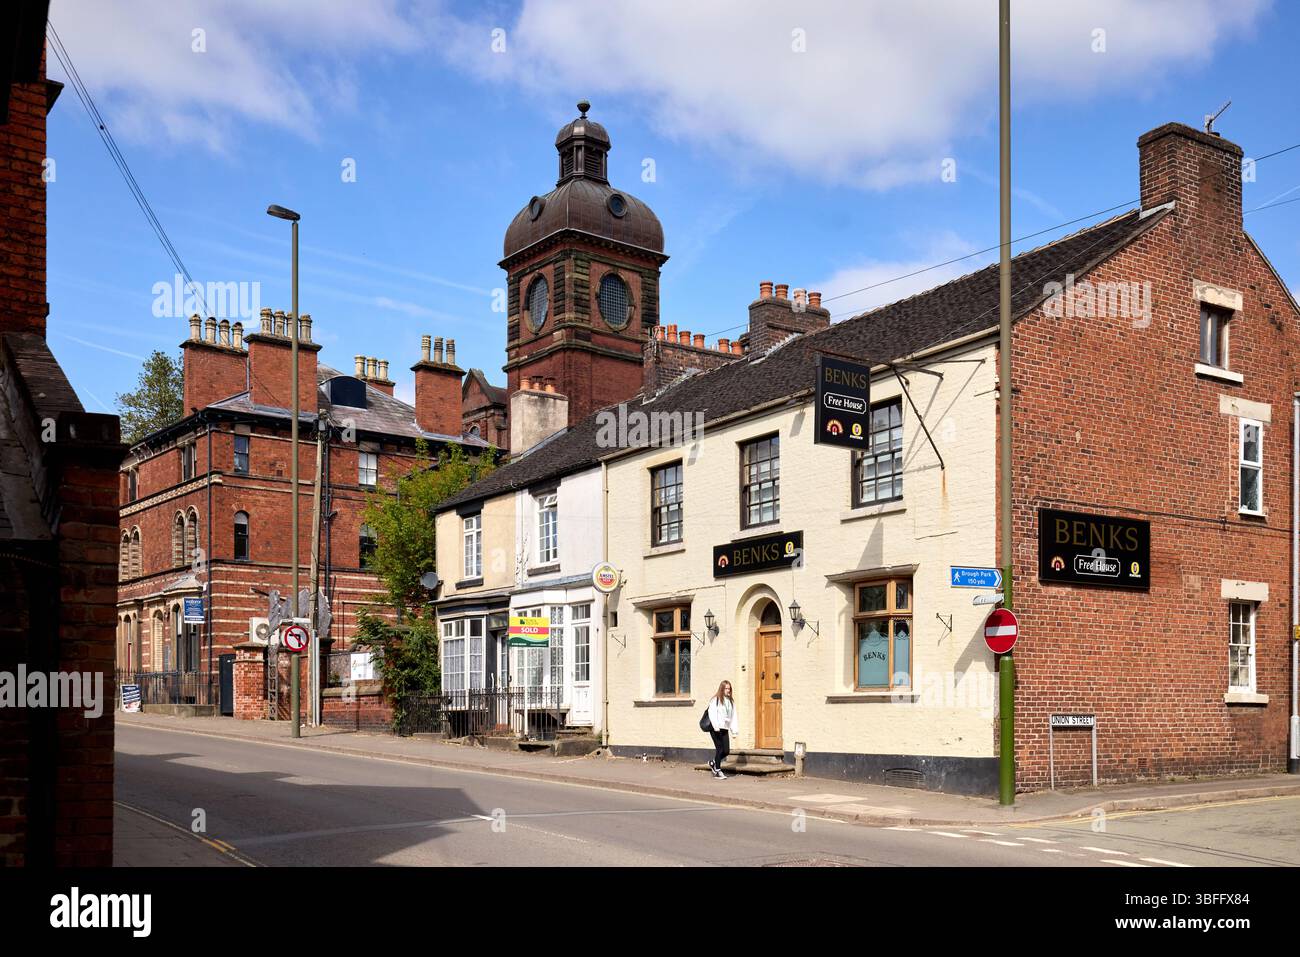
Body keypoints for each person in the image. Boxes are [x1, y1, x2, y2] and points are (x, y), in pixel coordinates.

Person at [706, 679, 739, 779]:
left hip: (724, 728)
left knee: (726, 751)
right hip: (716, 728)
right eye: (726, 688)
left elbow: (733, 716)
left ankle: (713, 762)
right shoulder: (715, 700)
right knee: (720, 749)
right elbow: (712, 714)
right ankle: (718, 771)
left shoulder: (731, 701)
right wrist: (715, 726)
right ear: (722, 689)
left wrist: (734, 730)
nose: (728, 690)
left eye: (729, 689)